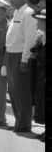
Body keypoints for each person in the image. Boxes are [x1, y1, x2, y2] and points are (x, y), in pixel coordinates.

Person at [5, 0, 38, 133]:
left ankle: (24, 124)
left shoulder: (28, 13)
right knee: (13, 91)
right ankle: (19, 121)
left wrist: (24, 60)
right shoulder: (16, 12)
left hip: (20, 55)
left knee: (22, 91)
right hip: (10, 54)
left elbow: (29, 39)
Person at [30, 9, 45, 141]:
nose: (38, 23)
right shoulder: (42, 36)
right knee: (41, 101)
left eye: (40, 20)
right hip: (41, 74)